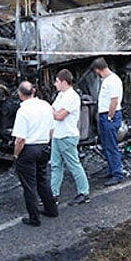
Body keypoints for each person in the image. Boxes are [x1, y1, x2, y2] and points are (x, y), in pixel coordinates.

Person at [12, 81, 58, 227]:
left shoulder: (23, 111)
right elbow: (52, 129)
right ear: (34, 91)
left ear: (20, 95)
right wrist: (45, 143)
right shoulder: (46, 105)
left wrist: (16, 155)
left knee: (29, 185)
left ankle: (34, 218)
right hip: (44, 146)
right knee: (42, 179)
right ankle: (51, 209)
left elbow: (20, 139)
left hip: (28, 150)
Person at [50, 69, 90, 206]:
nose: (55, 84)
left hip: (67, 135)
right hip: (58, 135)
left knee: (74, 165)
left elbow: (60, 116)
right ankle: (53, 194)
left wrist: (51, 111)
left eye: (57, 81)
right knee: (56, 166)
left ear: (63, 82)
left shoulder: (72, 97)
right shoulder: (61, 95)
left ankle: (84, 193)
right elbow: (54, 111)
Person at [92, 57, 125, 186]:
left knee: (111, 146)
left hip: (110, 116)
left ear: (98, 70)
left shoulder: (112, 81)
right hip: (106, 116)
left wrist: (110, 117)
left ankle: (117, 174)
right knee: (106, 145)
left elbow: (114, 101)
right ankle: (112, 170)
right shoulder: (108, 80)